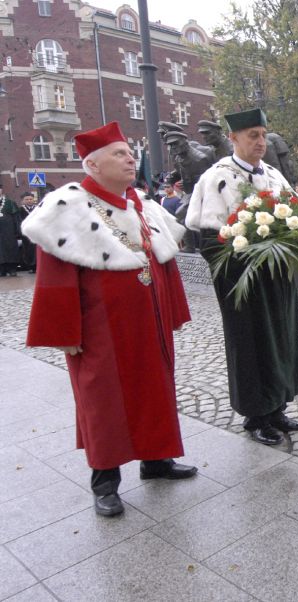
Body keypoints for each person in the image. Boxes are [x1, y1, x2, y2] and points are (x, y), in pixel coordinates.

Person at [21, 121, 196, 517]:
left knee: (155, 389)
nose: (130, 158)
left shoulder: (143, 206)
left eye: (129, 153)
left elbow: (163, 261)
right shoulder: (67, 208)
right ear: (93, 165)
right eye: (119, 153)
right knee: (103, 403)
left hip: (148, 324)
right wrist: (64, 331)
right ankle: (105, 482)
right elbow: (55, 275)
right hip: (100, 331)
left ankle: (157, 461)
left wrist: (173, 311)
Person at [186, 108, 298, 446]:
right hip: (242, 281)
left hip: (277, 277)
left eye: (263, 134)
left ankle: (278, 406)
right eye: (252, 135)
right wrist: (248, 258)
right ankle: (256, 416)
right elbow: (210, 240)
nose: (260, 141)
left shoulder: (273, 175)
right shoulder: (217, 177)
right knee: (251, 345)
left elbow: (295, 219)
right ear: (234, 138)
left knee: (281, 339)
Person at [0, 186, 19, 276]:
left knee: (10, 248)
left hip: (9, 231)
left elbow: (16, 218)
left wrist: (17, 230)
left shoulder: (10, 203)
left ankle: (12, 269)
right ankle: (1, 270)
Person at [16, 192, 38, 273]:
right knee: (28, 249)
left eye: (31, 199)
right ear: (23, 200)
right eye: (27, 199)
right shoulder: (20, 210)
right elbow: (19, 221)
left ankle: (37, 265)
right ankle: (31, 266)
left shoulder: (38, 208)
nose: (29, 201)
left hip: (36, 233)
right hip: (26, 233)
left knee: (36, 249)